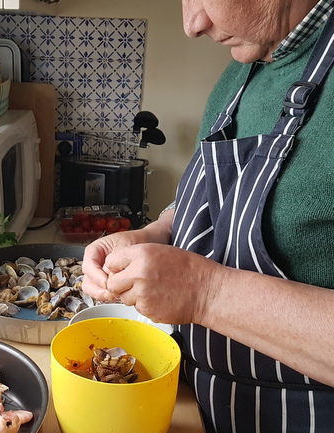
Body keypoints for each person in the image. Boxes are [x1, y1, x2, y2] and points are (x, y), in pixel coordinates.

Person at [82, 0, 334, 431]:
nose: (192, 24)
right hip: (206, 405)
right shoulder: (247, 64)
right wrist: (157, 231)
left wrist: (205, 292)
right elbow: (217, 200)